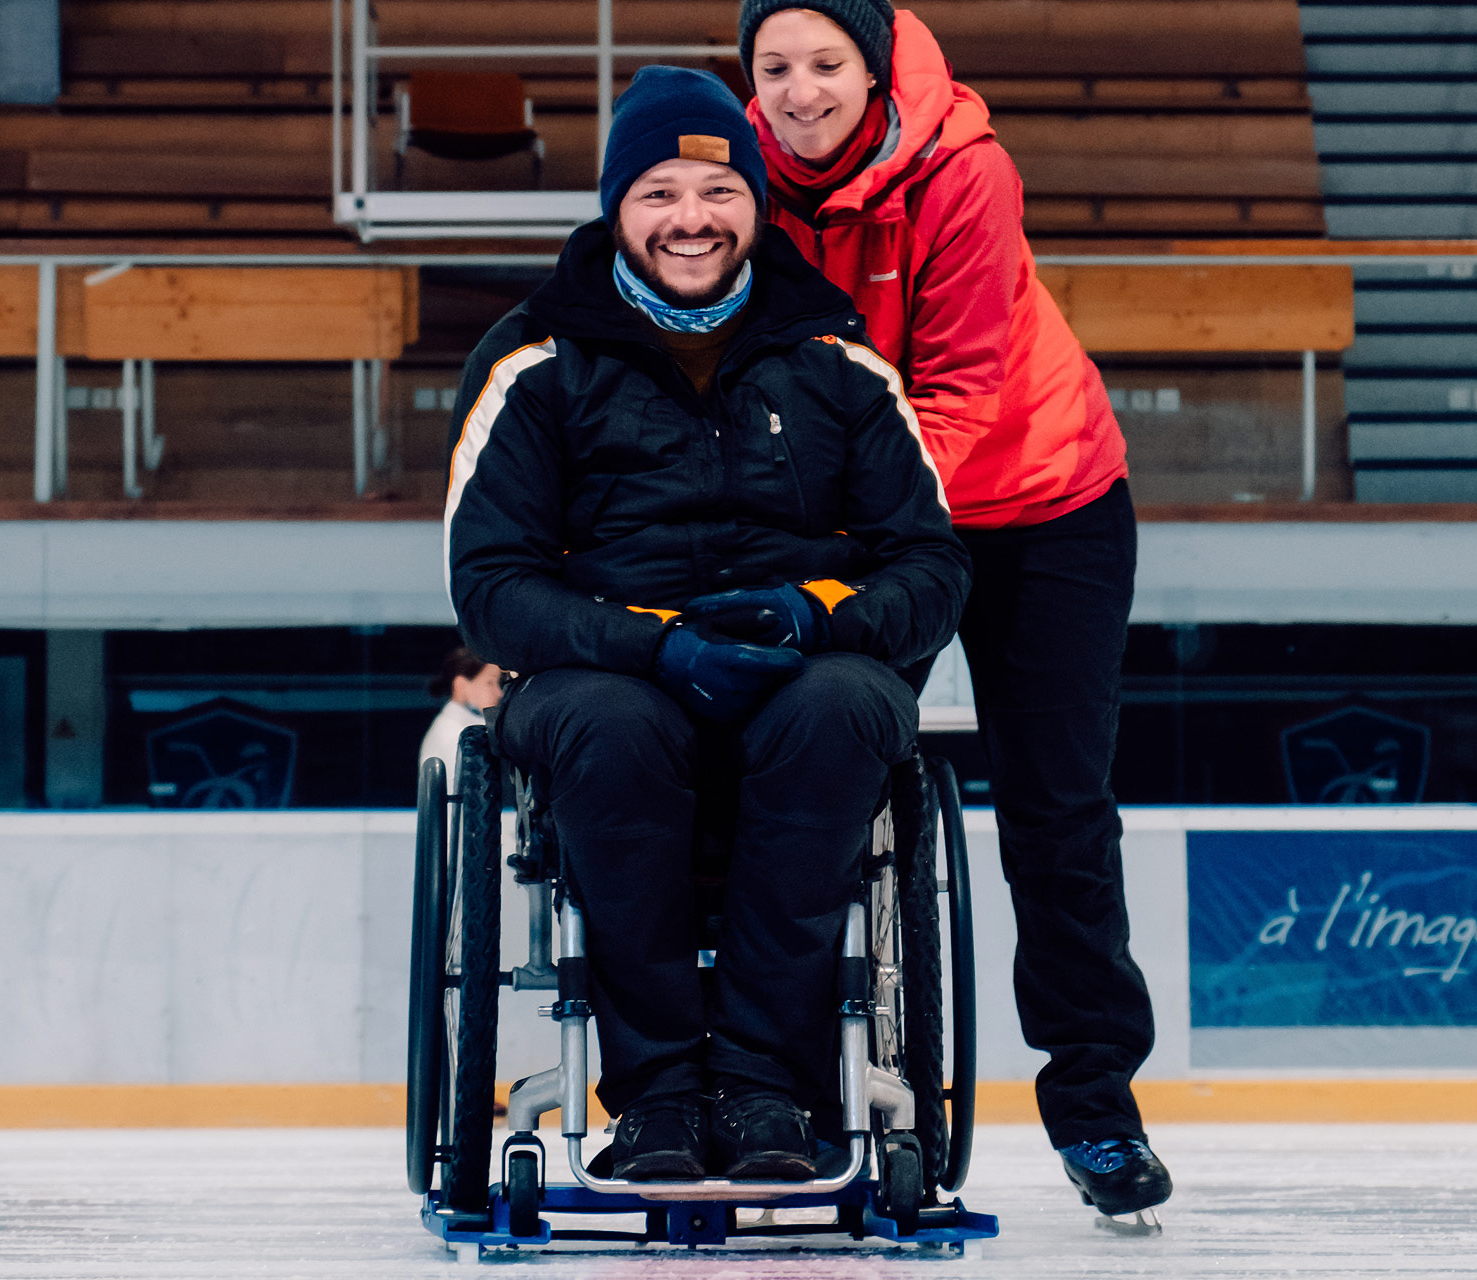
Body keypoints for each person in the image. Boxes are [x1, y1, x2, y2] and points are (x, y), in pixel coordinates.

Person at [444, 66, 970, 1182]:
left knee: (848, 708)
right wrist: (654, 642)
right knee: (611, 724)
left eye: (717, 191)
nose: (691, 218)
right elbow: (492, 586)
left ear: (757, 206)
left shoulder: (841, 362)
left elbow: (932, 565)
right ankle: (661, 1099)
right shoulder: (534, 364)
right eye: (659, 193)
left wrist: (813, 618)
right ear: (615, 209)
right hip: (608, 675)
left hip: (803, 666)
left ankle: (769, 1089)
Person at [737, 0, 1172, 1222]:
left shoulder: (965, 171)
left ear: (872, 69)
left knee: (1057, 801)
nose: (801, 91)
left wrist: (828, 514)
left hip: (1039, 493)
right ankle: (797, 1085)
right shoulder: (734, 181)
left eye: (826, 63)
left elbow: (972, 392)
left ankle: (1095, 1100)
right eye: (774, 67)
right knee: (807, 756)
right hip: (867, 504)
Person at [418, 644, 502, 789]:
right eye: (490, 682)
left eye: (498, 683)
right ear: (461, 685)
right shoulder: (455, 734)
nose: (499, 692)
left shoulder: (461, 727)